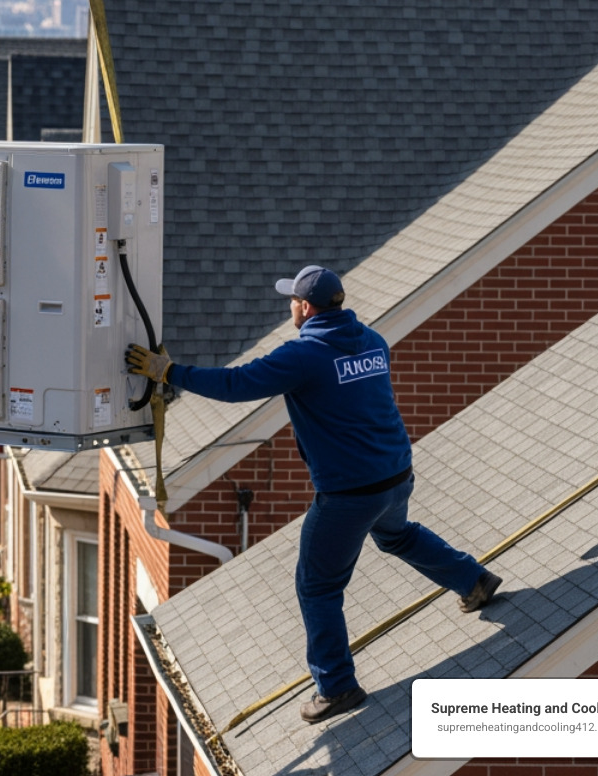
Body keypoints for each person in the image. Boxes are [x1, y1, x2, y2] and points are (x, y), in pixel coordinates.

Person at [126, 265, 502, 724]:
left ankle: (337, 686)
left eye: (292, 301)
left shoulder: (305, 355)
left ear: (304, 307)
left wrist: (169, 372)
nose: (289, 307)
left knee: (317, 586)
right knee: (397, 535)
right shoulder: (372, 341)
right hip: (396, 475)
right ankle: (473, 580)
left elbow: (236, 385)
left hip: (349, 494)